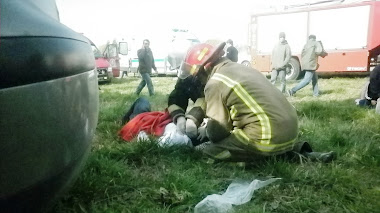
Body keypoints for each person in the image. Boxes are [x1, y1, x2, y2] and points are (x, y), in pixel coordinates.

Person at [175, 40, 335, 162]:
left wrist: (206, 131)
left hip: (266, 135)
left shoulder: (215, 82)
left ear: (206, 68)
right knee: (265, 141)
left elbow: (218, 132)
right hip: (291, 130)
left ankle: (254, 160)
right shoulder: (242, 69)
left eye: (198, 75)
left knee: (204, 152)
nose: (199, 81)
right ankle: (302, 154)